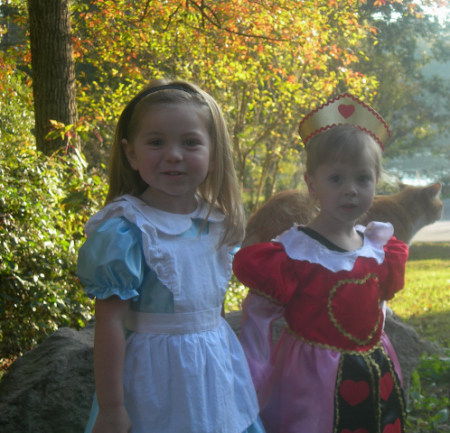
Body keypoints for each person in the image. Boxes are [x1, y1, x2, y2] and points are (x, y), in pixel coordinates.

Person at [77, 78, 265, 433]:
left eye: (191, 142)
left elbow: (212, 311)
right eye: (156, 142)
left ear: (213, 153)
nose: (174, 154)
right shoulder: (126, 230)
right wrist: (112, 406)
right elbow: (111, 324)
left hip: (214, 377)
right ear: (131, 153)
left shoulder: (216, 223)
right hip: (154, 383)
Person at [233, 94, 409, 433]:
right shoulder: (294, 255)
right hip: (310, 380)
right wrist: (252, 373)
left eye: (362, 179)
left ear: (377, 183)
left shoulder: (378, 247)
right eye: (336, 179)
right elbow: (257, 316)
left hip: (374, 370)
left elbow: (377, 305)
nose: (351, 191)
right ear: (312, 185)